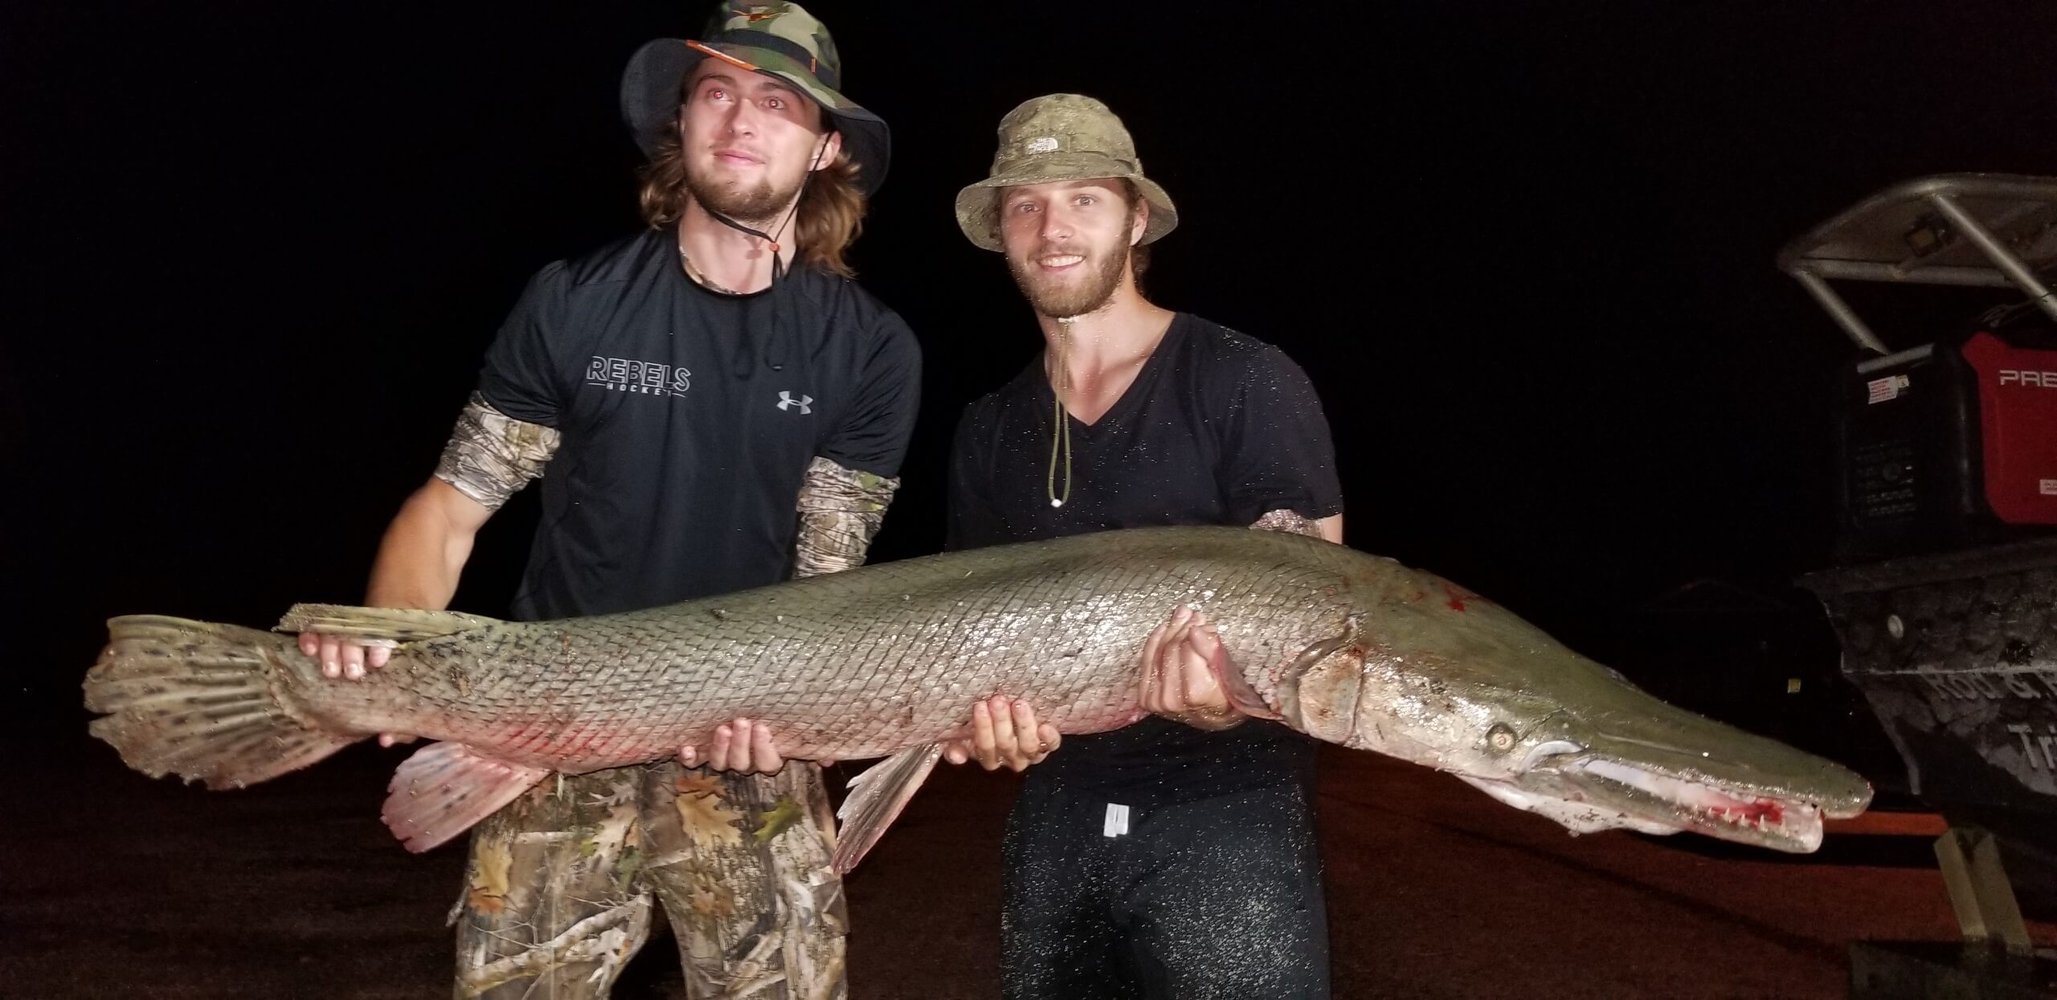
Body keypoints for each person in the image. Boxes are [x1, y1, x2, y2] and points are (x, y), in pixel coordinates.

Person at [299, 4, 923, 997]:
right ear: (680, 123)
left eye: (777, 101)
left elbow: (826, 582)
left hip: (746, 743)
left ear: (824, 149)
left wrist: (785, 713)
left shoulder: (868, 350)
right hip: (550, 729)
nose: (739, 118)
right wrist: (385, 644)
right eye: (714, 91)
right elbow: (452, 508)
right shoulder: (574, 302)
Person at [942, 93, 1346, 1000]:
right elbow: (962, 644)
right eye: (1025, 204)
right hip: (1055, 819)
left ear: (1134, 218)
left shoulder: (1244, 380)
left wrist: (1232, 698)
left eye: (1084, 198)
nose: (1053, 228)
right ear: (999, 233)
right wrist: (983, 732)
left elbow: (1317, 620)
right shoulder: (987, 427)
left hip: (1228, 821)